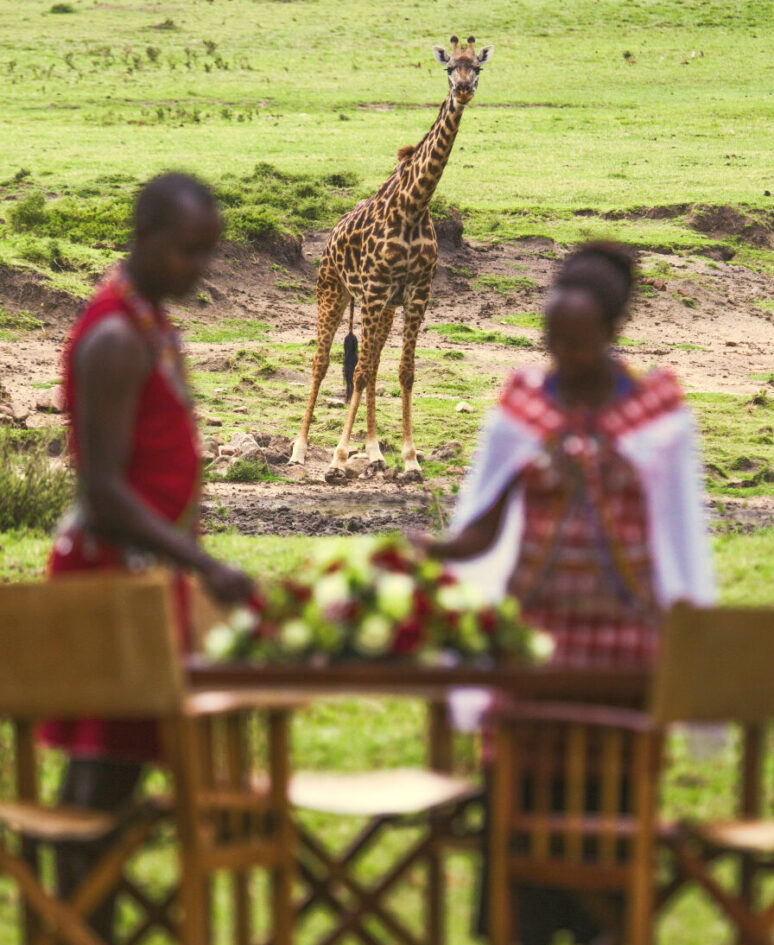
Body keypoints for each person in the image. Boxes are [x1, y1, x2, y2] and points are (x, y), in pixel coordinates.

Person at [424, 242, 715, 944]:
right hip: (532, 651)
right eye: (551, 340)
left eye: (577, 343)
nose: (562, 356)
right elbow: (480, 529)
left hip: (622, 657)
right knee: (514, 818)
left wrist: (688, 647)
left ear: (612, 333)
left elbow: (681, 542)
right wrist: (419, 554)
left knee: (608, 819)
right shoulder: (522, 412)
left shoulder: (657, 421)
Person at [41, 172, 254, 942]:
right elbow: (103, 490)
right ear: (145, 236)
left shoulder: (150, 321)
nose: (200, 267)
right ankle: (81, 927)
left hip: (147, 578)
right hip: (112, 583)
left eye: (209, 252)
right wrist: (202, 565)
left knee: (121, 770)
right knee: (98, 773)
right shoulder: (113, 337)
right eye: (187, 250)